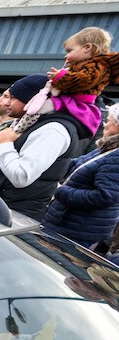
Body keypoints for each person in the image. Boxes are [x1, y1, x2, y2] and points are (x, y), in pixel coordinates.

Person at [0, 74, 95, 220]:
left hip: (9, 214)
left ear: (32, 100)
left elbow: (21, 176)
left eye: (13, 98)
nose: (7, 103)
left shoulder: (53, 130)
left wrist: (5, 144)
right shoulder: (31, 124)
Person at [12, 27, 116, 135]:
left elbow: (83, 80)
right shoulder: (80, 65)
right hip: (68, 98)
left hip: (77, 101)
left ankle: (18, 131)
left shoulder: (97, 66)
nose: (66, 55)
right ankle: (18, 126)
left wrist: (61, 76)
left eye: (70, 51)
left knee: (39, 109)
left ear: (87, 48)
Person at [42, 102, 119, 248]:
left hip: (76, 231)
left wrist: (60, 191)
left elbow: (104, 196)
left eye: (107, 120)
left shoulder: (116, 156)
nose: (104, 125)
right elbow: (78, 164)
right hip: (68, 224)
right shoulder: (107, 148)